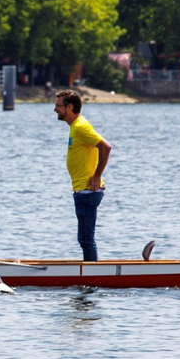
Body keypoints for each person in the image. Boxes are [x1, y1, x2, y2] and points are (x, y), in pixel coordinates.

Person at [54, 89, 112, 261]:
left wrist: (97, 176)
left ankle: (92, 276)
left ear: (70, 107)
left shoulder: (80, 127)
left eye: (58, 106)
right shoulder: (76, 126)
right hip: (83, 191)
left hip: (87, 191)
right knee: (85, 239)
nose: (55, 109)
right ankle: (90, 271)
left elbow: (106, 147)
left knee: (86, 239)